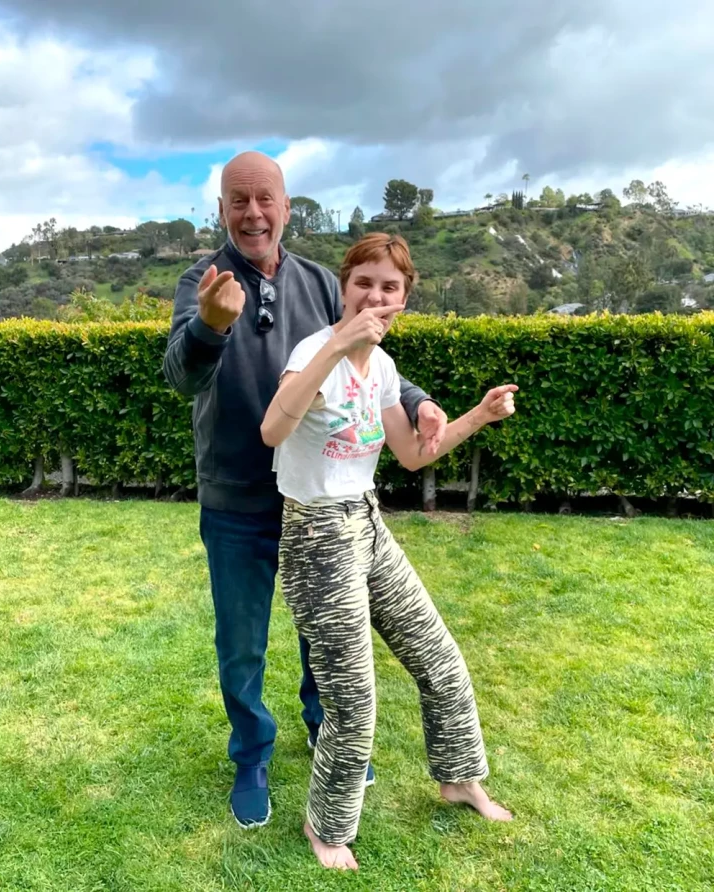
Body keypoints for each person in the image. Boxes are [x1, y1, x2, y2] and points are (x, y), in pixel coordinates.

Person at [162, 152, 449, 829]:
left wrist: (419, 398)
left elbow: (367, 354)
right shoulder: (199, 280)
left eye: (266, 199)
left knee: (323, 630)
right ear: (223, 210)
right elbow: (181, 377)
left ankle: (323, 727)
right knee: (242, 641)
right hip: (236, 497)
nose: (253, 213)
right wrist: (209, 324)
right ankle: (251, 757)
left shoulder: (322, 282)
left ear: (287, 208)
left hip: (315, 502)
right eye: (239, 201)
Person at [260, 232, 516, 871]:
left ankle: (458, 778)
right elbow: (272, 429)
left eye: (390, 287)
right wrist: (336, 349)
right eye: (364, 282)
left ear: (404, 298)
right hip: (316, 536)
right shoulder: (314, 351)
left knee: (440, 658)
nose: (375, 295)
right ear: (345, 288)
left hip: (367, 523)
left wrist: (477, 416)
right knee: (353, 699)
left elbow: (411, 455)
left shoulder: (386, 369)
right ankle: (327, 827)